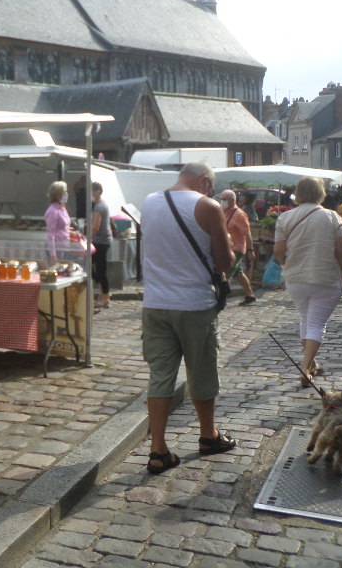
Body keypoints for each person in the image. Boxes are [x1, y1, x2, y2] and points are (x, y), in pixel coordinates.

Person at [140, 162, 236, 474]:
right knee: (202, 372)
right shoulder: (207, 206)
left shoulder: (150, 201)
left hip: (155, 303)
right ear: (205, 181)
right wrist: (229, 252)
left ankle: (158, 449)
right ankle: (208, 435)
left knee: (160, 376)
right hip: (194, 304)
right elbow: (223, 262)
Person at [273, 177, 342, 387]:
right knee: (316, 323)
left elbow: (279, 252)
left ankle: (312, 363)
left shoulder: (285, 218)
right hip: (325, 277)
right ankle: (306, 368)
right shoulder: (332, 217)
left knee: (306, 319)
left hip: (296, 278)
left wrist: (287, 266)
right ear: (321, 192)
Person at [218, 189, 256, 305]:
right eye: (222, 199)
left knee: (226, 273)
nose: (222, 201)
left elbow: (247, 233)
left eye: (225, 199)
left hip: (237, 248)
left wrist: (250, 250)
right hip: (226, 247)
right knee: (238, 272)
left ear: (233, 200)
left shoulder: (239, 214)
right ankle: (250, 295)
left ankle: (221, 299)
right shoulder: (223, 211)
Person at [89, 182, 112, 308]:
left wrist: (88, 240)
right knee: (95, 268)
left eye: (92, 190)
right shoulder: (101, 204)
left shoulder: (99, 207)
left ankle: (105, 296)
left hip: (100, 241)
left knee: (99, 270)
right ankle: (103, 293)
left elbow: (96, 227)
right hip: (102, 241)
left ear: (98, 191)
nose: (90, 193)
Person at [44, 180, 75, 264]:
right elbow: (51, 234)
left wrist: (72, 233)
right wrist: (53, 255)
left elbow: (64, 227)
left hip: (65, 246)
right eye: (64, 192)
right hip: (57, 248)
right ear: (58, 194)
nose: (67, 194)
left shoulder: (62, 208)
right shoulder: (52, 211)